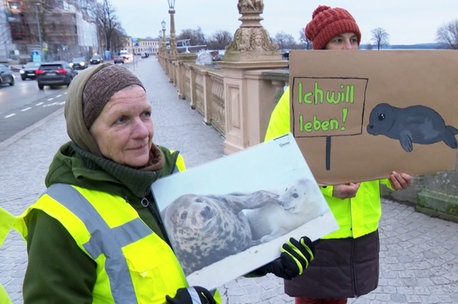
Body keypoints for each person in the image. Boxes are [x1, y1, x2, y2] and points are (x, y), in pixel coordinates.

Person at [16, 63, 314, 303]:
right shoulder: (60, 218)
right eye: (121, 120)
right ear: (85, 130)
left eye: (146, 114)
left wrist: (260, 259)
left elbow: (196, 256)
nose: (142, 131)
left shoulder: (171, 171)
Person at [264, 5, 413, 304]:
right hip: (317, 227)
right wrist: (329, 187)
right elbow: (274, 164)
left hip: (361, 228)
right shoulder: (296, 97)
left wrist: (393, 177)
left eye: (353, 40)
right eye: (339, 40)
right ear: (321, 49)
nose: (348, 48)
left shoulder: (373, 95)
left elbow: (378, 154)